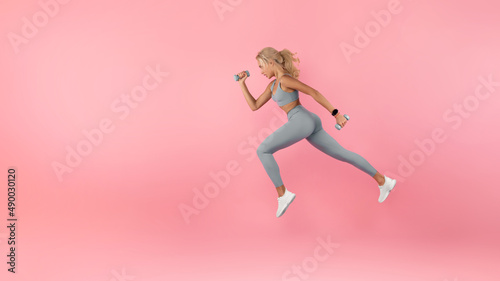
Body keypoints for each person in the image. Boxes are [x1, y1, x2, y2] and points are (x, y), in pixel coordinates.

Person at [237, 47, 396, 218]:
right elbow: (254, 106)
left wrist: (336, 114)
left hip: (301, 121)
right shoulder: (273, 85)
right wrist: (242, 84)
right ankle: (383, 181)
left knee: (263, 150)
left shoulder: (285, 80)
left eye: (261, 67)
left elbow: (313, 92)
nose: (260, 71)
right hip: (308, 120)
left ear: (270, 62)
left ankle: (283, 194)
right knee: (342, 153)